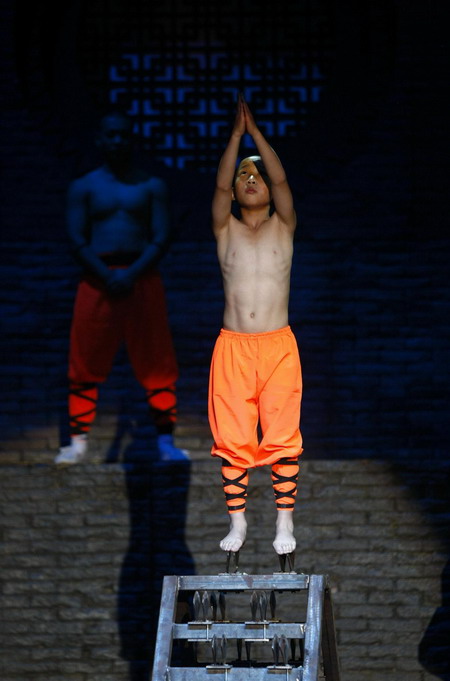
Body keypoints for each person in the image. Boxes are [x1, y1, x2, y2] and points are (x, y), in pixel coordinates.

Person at [55, 111, 188, 465]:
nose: (117, 142)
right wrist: (107, 274)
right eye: (111, 135)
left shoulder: (150, 186)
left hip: (141, 279)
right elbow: (76, 239)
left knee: (157, 361)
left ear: (132, 140)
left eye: (123, 136)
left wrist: (130, 274)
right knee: (84, 360)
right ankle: (77, 444)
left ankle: (165, 442)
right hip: (97, 280)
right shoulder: (83, 186)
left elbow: (161, 237)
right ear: (101, 139)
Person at [208, 95, 303, 557]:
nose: (249, 180)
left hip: (278, 347)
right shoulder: (224, 228)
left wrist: (256, 136)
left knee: (282, 432)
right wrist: (234, 137)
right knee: (233, 436)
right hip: (233, 348)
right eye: (244, 174)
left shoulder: (283, 225)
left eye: (256, 174)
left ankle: (284, 521)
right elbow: (221, 185)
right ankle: (238, 520)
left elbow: (281, 177)